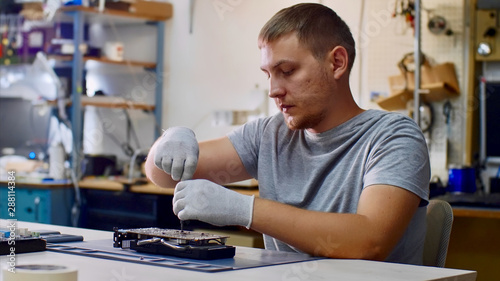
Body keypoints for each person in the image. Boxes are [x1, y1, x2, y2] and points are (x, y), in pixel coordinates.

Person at [145, 3, 430, 265]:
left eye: (287, 71)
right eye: (269, 74)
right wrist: (170, 139)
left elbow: (369, 242)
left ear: (337, 63)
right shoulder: (269, 134)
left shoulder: (394, 137)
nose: (273, 90)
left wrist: (246, 210)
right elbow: (165, 176)